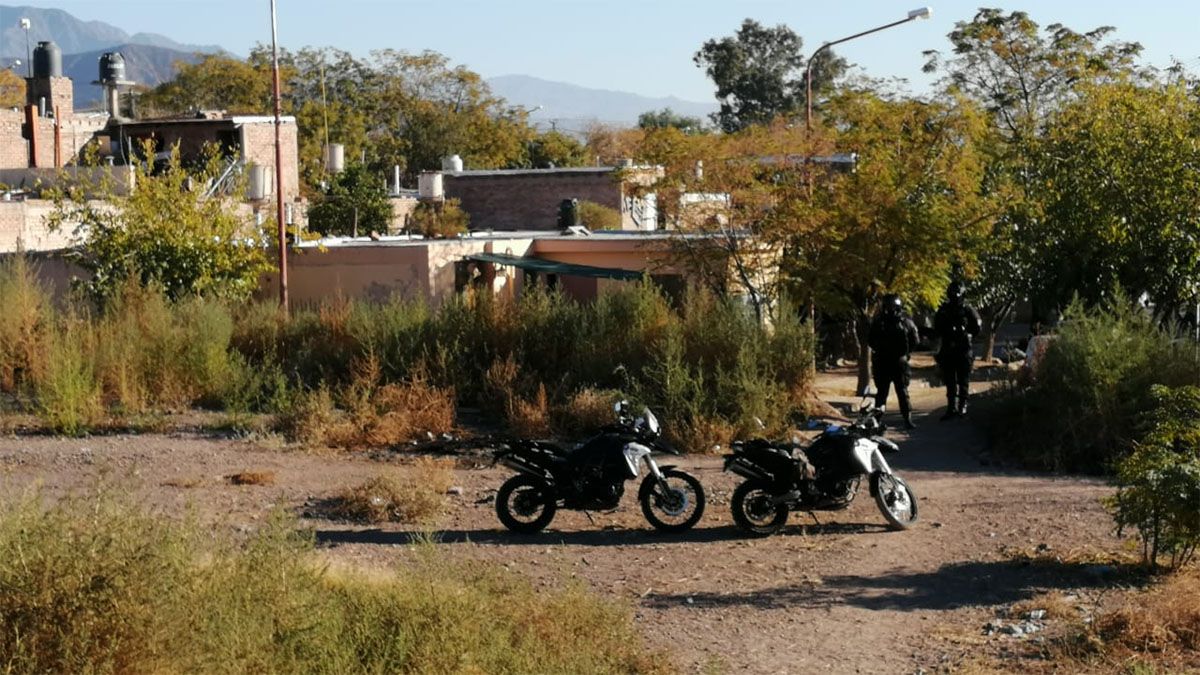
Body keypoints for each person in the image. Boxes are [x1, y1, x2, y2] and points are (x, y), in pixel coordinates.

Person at [868, 294, 921, 430]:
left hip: (888, 362)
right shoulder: (904, 322)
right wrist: (906, 353)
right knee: (898, 392)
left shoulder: (880, 322)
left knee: (885, 393)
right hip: (896, 362)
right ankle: (905, 419)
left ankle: (879, 420)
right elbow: (915, 340)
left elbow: (870, 340)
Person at [934, 280, 981, 419]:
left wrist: (968, 335)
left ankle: (963, 406)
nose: (954, 296)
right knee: (950, 381)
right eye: (952, 293)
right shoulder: (944, 310)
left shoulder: (967, 310)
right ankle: (951, 408)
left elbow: (977, 327)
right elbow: (937, 328)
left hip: (963, 349)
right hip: (948, 349)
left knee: (963, 380)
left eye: (957, 293)